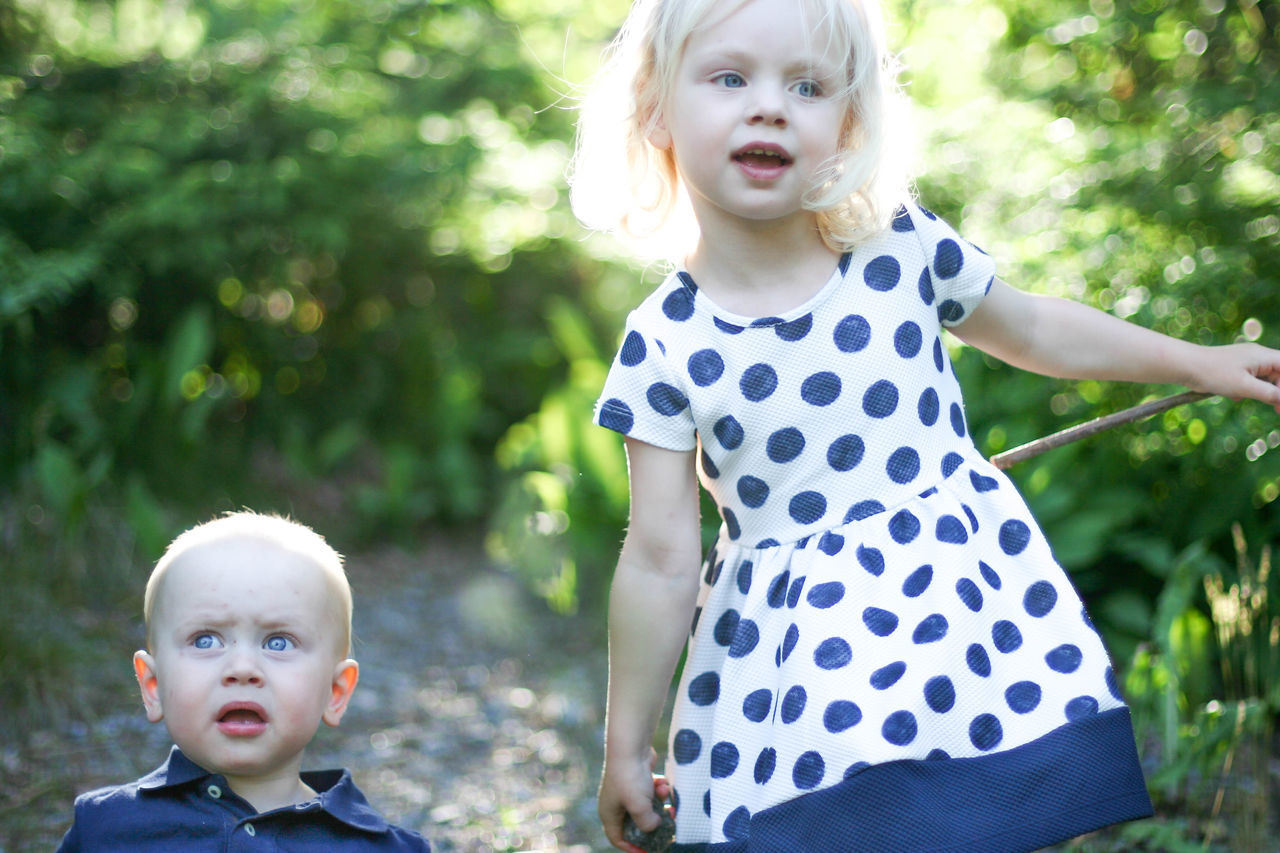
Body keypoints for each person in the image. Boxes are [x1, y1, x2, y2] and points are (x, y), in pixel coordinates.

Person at [571, 0, 1280, 850]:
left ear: (848, 122)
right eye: (730, 77)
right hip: (794, 675)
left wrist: (1199, 361)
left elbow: (1035, 329)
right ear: (656, 107)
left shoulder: (895, 247)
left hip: (950, 622)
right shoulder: (666, 342)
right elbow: (657, 557)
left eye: (808, 85)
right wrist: (624, 746)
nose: (770, 105)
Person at [56, 511, 432, 851]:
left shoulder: (381, 848)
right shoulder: (106, 831)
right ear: (152, 686)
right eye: (205, 640)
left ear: (335, 692)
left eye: (278, 642)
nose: (242, 667)